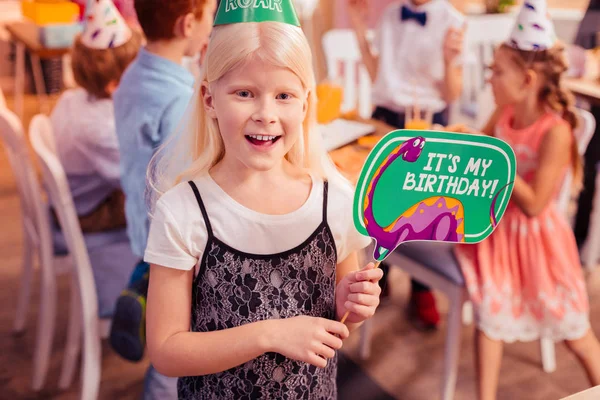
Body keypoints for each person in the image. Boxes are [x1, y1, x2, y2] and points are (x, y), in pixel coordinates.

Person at [143, 1, 382, 398]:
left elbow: (334, 330)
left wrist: (350, 310)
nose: (266, 114)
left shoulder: (334, 201)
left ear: (306, 102)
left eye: (284, 95)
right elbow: (167, 351)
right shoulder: (183, 212)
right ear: (208, 99)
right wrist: (270, 334)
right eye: (244, 93)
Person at [454, 2, 600, 398]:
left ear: (528, 78)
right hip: (498, 235)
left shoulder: (556, 131)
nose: (489, 79)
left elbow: (535, 204)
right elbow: (480, 150)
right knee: (489, 318)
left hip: (540, 243)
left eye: (497, 72)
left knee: (576, 332)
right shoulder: (503, 111)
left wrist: (497, 161)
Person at [109, 0, 216, 398]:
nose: (211, 27)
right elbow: (188, 186)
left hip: (140, 227)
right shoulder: (177, 102)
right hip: (170, 245)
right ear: (188, 24)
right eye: (209, 17)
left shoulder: (134, 76)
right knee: (176, 344)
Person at [347, 0, 465, 330]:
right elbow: (378, 74)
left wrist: (448, 59)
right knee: (379, 200)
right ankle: (382, 270)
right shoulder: (390, 14)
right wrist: (358, 24)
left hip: (425, 121)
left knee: (419, 206)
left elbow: (453, 92)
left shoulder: (452, 20)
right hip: (384, 117)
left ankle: (421, 288)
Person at [50, 0, 141, 318]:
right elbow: (140, 180)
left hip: (75, 200)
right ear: (115, 86)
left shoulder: (71, 98)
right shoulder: (100, 131)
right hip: (88, 217)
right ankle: (148, 303)